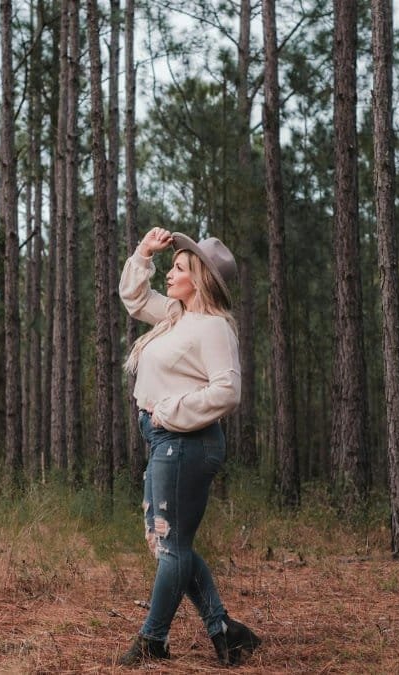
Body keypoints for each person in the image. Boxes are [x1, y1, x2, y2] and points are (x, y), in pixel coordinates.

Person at [115, 226, 262, 667]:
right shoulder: (177, 316)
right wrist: (145, 251)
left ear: (198, 278)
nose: (169, 274)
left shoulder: (214, 327)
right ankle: (223, 632)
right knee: (168, 543)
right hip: (165, 439)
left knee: (172, 545)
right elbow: (135, 298)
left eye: (177, 267)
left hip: (187, 442)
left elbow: (227, 392)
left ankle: (153, 640)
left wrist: (168, 410)